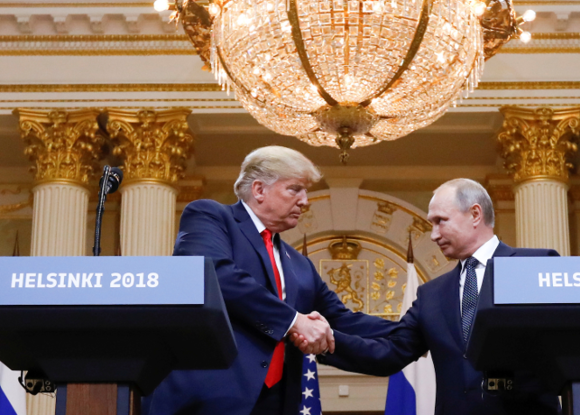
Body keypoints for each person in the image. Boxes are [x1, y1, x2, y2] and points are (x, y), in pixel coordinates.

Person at [144, 146, 394, 415]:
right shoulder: (210, 216)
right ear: (259, 190)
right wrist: (293, 321)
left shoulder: (299, 265)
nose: (305, 201)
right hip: (207, 400)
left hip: (277, 402)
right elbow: (215, 274)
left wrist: (414, 331)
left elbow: (341, 318)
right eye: (295, 189)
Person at [294, 178, 561, 415]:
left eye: (440, 221)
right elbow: (391, 352)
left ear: (475, 214)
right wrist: (327, 341)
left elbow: (563, 342)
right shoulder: (431, 294)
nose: (433, 235)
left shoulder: (534, 265)